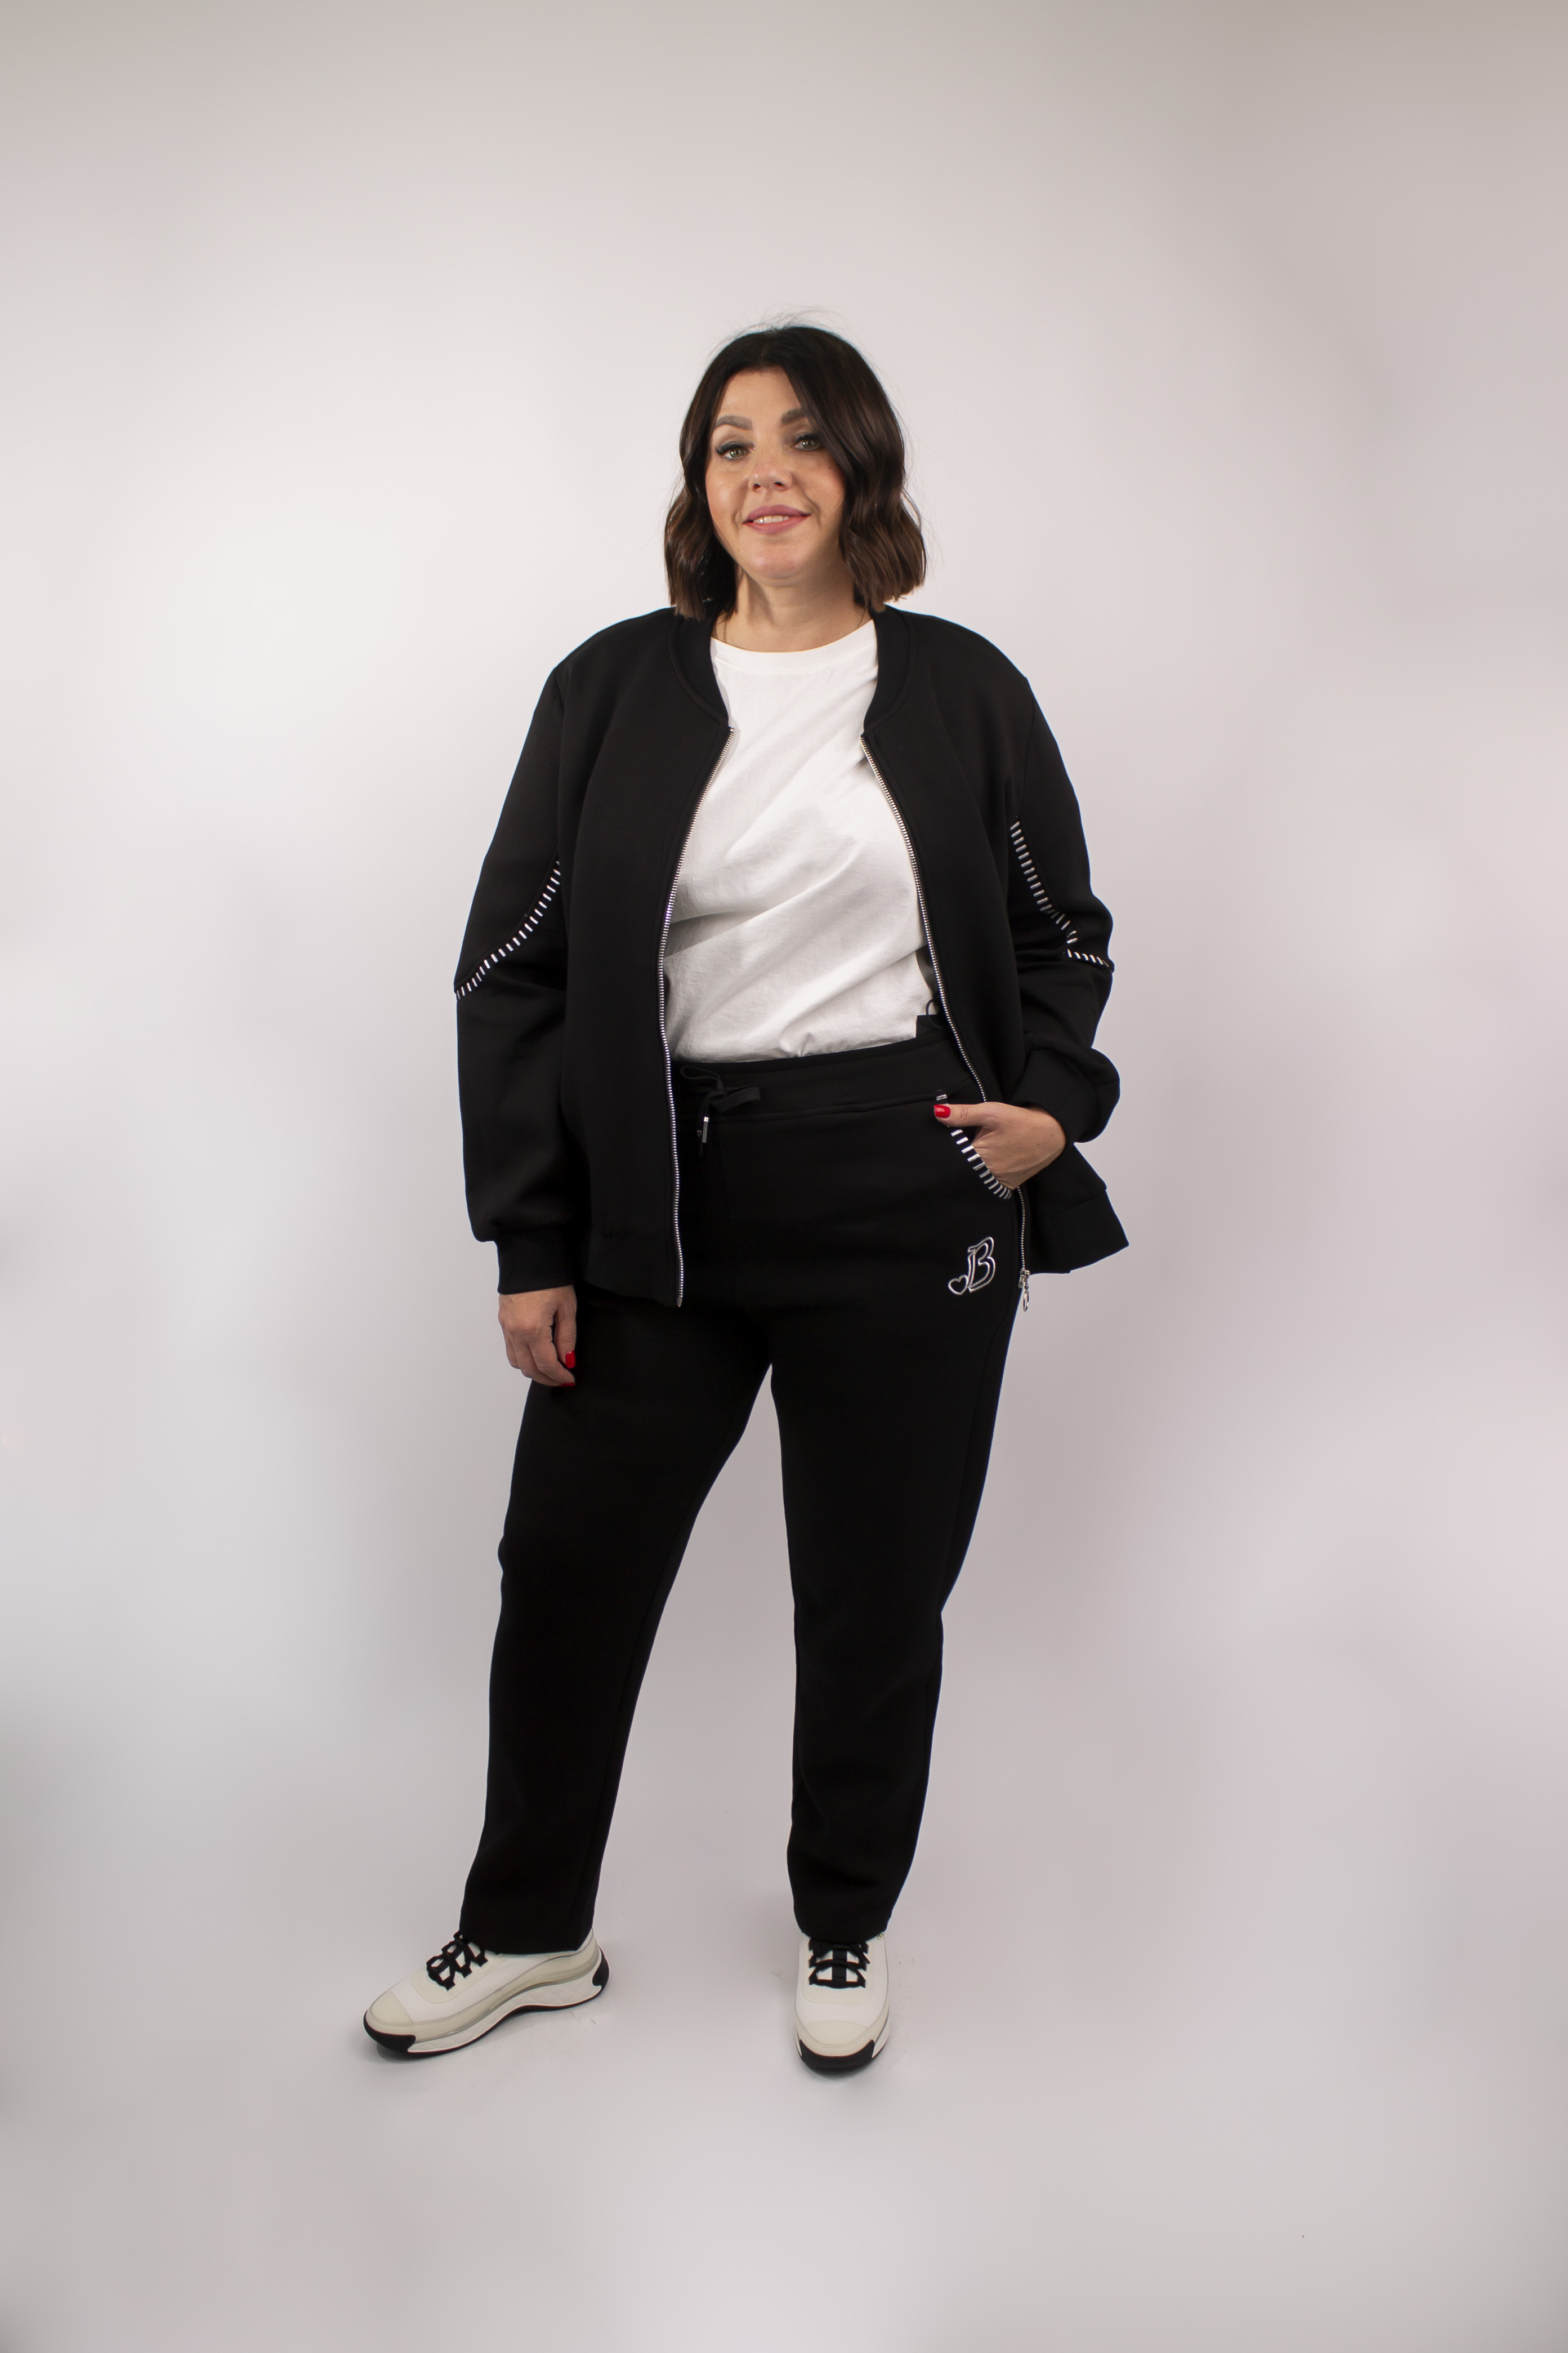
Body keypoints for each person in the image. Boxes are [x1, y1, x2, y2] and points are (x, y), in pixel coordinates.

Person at [364, 324, 1125, 2070]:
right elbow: (510, 969)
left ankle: (842, 1914)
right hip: (662, 1195)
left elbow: (1058, 933)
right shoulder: (610, 689)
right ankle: (530, 1926)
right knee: (566, 1569)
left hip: (905, 1184)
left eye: (800, 438)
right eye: (728, 443)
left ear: (860, 469)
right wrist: (533, 1234)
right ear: (697, 483)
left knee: (873, 1589)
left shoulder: (960, 688)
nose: (763, 471)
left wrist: (1050, 1110)